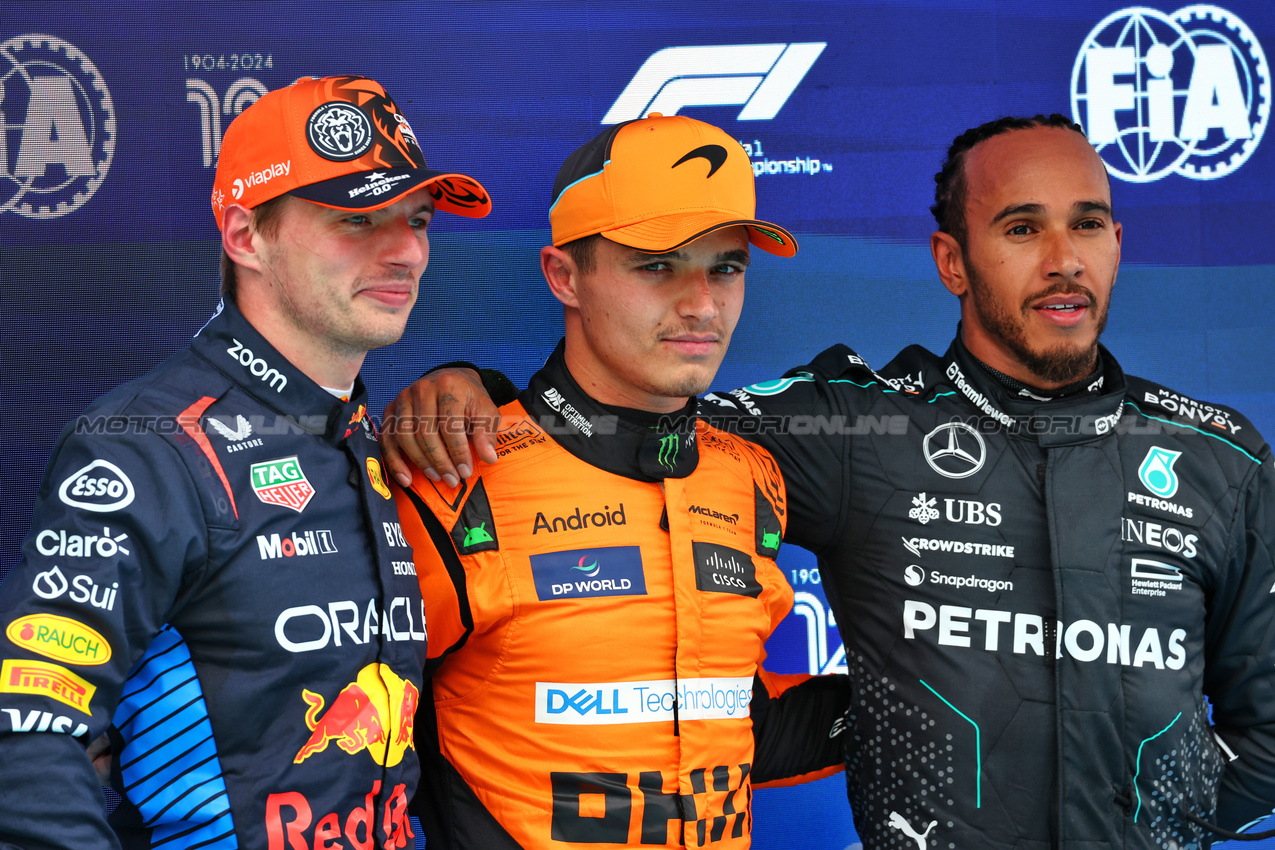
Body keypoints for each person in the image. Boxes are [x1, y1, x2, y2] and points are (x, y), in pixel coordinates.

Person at [383, 114, 1275, 849]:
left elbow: (1267, 728)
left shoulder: (1220, 455)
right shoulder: (849, 425)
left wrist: (1164, 820)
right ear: (950, 261)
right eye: (1019, 227)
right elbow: (621, 418)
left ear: (1117, 240)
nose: (1061, 259)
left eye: (1085, 224)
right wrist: (474, 390)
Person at [0, 74, 490, 849]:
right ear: (243, 234)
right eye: (359, 219)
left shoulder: (365, 436)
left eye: (418, 219)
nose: (407, 251)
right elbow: (25, 733)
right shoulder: (147, 445)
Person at [390, 113, 849, 850]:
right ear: (563, 276)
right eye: (657, 264)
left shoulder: (750, 477)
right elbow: (341, 736)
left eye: (725, 267)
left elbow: (729, 720)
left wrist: (919, 709)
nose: (701, 303)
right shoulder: (455, 472)